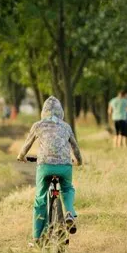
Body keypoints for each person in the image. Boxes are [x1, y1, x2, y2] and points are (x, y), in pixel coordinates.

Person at [17, 96, 83, 244]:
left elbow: (26, 146)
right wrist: (78, 161)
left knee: (40, 198)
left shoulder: (38, 125)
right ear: (61, 112)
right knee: (67, 188)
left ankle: (37, 237)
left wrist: (21, 156)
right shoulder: (66, 126)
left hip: (45, 166)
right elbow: (75, 148)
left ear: (43, 112)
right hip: (65, 166)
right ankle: (70, 214)